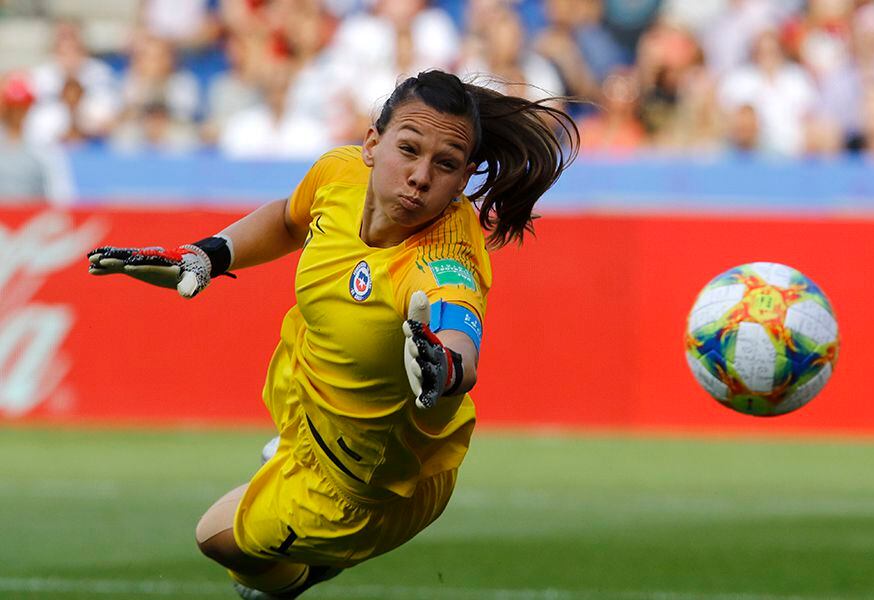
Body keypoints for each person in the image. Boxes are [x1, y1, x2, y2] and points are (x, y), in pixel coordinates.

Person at [86, 69, 578, 599]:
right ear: (371, 143)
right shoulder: (339, 173)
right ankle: (289, 476)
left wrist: (446, 364)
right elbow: (288, 220)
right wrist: (208, 255)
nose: (419, 176)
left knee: (219, 540)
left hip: (366, 487)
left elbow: (458, 331)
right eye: (408, 149)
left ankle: (300, 575)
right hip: (311, 402)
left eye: (445, 165)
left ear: (463, 181)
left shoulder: (443, 257)